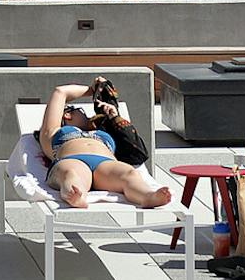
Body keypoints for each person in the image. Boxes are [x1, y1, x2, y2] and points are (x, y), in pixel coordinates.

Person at [37, 81, 173, 212]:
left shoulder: (103, 131)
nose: (88, 115)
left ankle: (148, 196)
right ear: (67, 114)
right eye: (81, 111)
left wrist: (115, 117)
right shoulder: (53, 132)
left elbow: (137, 151)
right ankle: (76, 196)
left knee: (129, 174)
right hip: (72, 160)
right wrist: (93, 90)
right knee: (71, 175)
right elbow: (60, 92)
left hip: (106, 164)